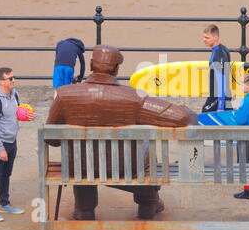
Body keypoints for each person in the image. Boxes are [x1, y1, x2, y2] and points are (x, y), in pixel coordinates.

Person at [46, 45, 198, 220]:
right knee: (145, 149)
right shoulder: (134, 98)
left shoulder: (65, 95)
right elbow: (181, 118)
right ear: (117, 69)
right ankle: (148, 203)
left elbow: (52, 139)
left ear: (90, 64)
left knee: (81, 157)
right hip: (125, 169)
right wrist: (188, 111)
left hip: (81, 169)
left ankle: (84, 209)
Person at [0, 67, 36, 222]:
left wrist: (27, 116)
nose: (14, 81)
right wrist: (0, 148)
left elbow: (16, 114)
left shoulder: (14, 94)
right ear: (1, 81)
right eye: (10, 79)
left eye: (14, 77)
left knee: (6, 174)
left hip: (12, 141)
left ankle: (5, 203)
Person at [201, 24, 233, 112]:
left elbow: (221, 81)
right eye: (203, 37)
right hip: (225, 96)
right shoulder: (224, 49)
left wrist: (220, 106)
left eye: (207, 38)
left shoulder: (217, 56)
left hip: (217, 99)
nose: (204, 40)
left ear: (216, 38)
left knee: (204, 118)